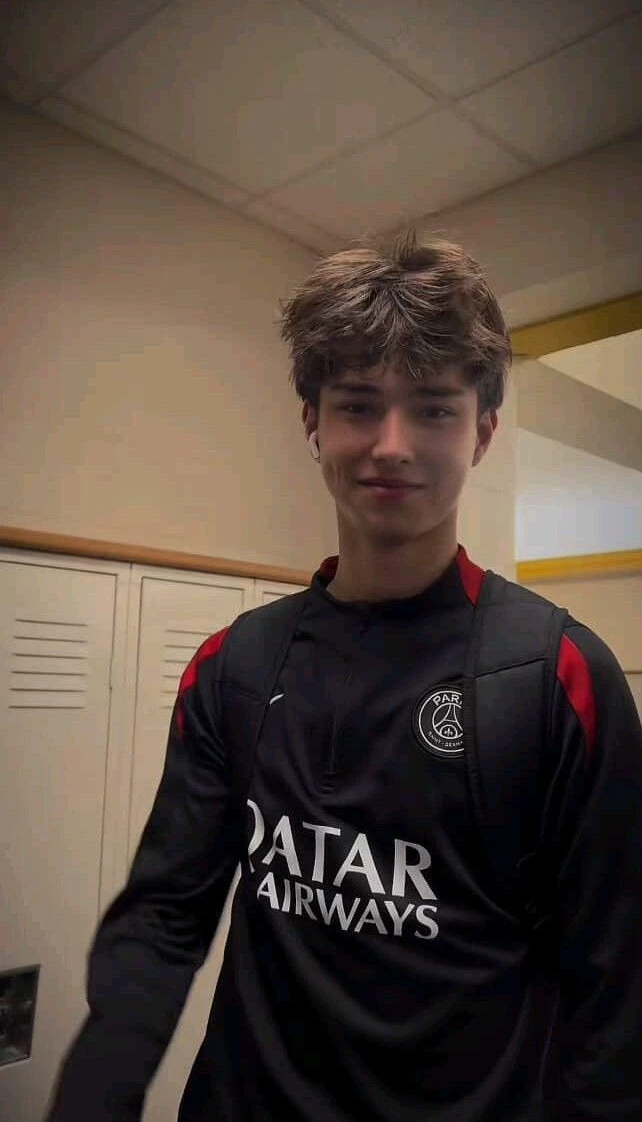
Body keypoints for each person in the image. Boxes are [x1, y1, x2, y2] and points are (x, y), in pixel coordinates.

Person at [46, 235, 642, 1121]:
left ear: (482, 431)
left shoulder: (559, 678)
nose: (391, 445)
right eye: (359, 404)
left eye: (433, 409)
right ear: (313, 422)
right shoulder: (233, 666)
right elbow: (164, 917)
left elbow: (615, 996)